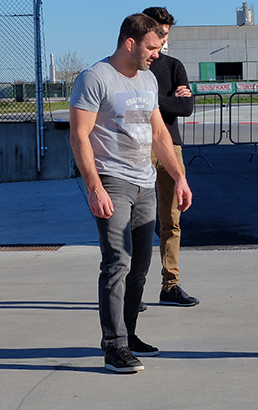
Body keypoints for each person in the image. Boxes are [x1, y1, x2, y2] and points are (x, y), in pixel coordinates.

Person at [69, 13, 193, 373]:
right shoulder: (95, 78)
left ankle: (130, 335)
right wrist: (94, 187)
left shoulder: (149, 80)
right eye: (153, 47)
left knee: (140, 266)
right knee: (117, 262)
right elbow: (79, 135)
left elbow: (159, 134)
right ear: (130, 43)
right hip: (111, 179)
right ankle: (114, 345)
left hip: (145, 181)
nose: (158, 53)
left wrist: (179, 177)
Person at [138, 6, 198, 310]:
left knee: (171, 221)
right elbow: (132, 102)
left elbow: (186, 109)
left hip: (171, 146)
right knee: (138, 220)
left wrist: (151, 101)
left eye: (167, 35)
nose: (163, 41)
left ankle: (170, 285)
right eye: (160, 34)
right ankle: (131, 289)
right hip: (139, 146)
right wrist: (168, 100)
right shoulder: (135, 64)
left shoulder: (173, 65)